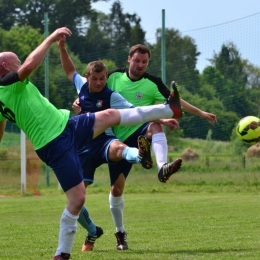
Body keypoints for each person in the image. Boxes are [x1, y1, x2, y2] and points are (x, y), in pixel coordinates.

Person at [0, 29, 183, 260]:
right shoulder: (9, 83)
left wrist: (165, 118)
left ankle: (169, 110)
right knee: (77, 199)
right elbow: (29, 66)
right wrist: (51, 38)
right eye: (16, 62)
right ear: (6, 67)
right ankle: (63, 252)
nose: (20, 64)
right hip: (55, 144)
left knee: (110, 115)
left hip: (68, 126)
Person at [72, 44, 217, 251]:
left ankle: (162, 167)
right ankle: (119, 232)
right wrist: (78, 101)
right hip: (112, 136)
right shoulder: (112, 77)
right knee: (116, 189)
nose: (140, 65)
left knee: (156, 126)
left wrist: (200, 113)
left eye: (144, 62)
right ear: (129, 59)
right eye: (137, 60)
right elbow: (90, 89)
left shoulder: (153, 83)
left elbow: (174, 102)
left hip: (139, 132)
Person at [58, 36, 182, 252]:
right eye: (95, 79)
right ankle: (93, 230)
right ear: (87, 77)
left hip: (104, 141)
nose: (99, 83)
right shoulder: (81, 86)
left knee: (119, 149)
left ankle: (142, 156)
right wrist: (61, 47)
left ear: (106, 77)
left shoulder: (111, 95)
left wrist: (161, 120)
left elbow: (136, 111)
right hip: (82, 148)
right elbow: (69, 70)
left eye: (103, 78)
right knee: (76, 199)